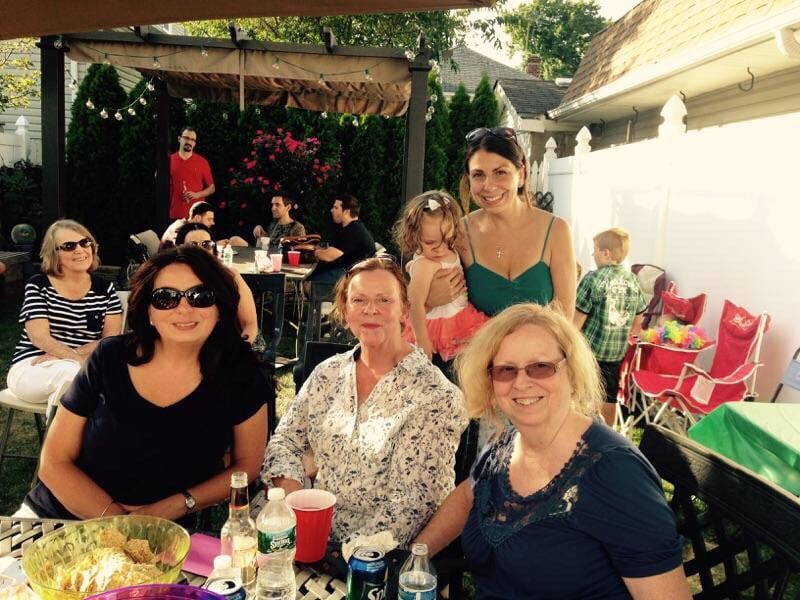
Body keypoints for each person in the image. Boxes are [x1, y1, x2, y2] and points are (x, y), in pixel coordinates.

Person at [414, 303, 690, 599]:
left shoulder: (615, 473)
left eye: (541, 367)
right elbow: (468, 496)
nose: (521, 382)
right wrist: (414, 556)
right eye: (506, 370)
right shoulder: (507, 443)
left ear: (571, 371)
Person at [21, 246, 269, 521]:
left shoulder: (239, 372)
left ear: (219, 307)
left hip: (165, 530)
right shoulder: (110, 358)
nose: (184, 308)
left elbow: (247, 464)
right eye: (166, 298)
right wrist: (122, 525)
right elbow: (54, 462)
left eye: (200, 296)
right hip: (59, 516)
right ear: (148, 310)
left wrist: (181, 504)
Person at [264, 257, 467, 546]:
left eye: (384, 300)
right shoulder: (327, 374)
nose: (371, 310)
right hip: (305, 533)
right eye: (358, 300)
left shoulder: (434, 395)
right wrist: (294, 500)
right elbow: (285, 442)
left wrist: (342, 553)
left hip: (375, 553)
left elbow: (412, 505)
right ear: (345, 310)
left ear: (404, 310)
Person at [427, 127, 577, 319]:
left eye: (500, 173)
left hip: (541, 339)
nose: (488, 186)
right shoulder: (459, 233)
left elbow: (564, 319)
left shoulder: (556, 230)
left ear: (521, 175)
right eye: (478, 175)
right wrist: (428, 300)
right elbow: (423, 305)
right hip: (472, 340)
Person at [7, 220, 122, 407]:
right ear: (54, 254)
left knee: (79, 378)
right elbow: (39, 337)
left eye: (85, 243)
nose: (80, 250)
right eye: (69, 246)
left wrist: (72, 356)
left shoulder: (105, 289)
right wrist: (77, 361)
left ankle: (65, 423)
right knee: (75, 375)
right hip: (34, 366)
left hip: (84, 364)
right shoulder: (39, 285)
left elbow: (110, 340)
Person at [393, 190, 488, 362]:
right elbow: (415, 304)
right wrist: (422, 340)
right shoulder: (425, 264)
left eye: (448, 240)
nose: (440, 248)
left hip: (461, 317)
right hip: (439, 327)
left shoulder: (448, 251)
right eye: (430, 242)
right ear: (414, 237)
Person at [574, 228, 646, 426]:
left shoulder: (593, 279)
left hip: (588, 353)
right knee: (609, 397)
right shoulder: (634, 281)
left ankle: (578, 430)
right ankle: (608, 434)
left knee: (581, 395)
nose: (592, 254)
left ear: (606, 253)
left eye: (595, 250)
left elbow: (575, 323)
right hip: (615, 356)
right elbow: (637, 323)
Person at [175, 222, 258, 344]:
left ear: (213, 249)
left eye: (207, 244)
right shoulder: (170, 280)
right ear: (179, 249)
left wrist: (240, 349)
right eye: (193, 245)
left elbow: (250, 324)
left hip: (233, 345)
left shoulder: (230, 277)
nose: (201, 250)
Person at [309, 194, 375, 284]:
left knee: (308, 282)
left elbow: (329, 256)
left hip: (350, 276)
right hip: (348, 272)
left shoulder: (354, 230)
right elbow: (332, 249)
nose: (332, 210)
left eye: (336, 208)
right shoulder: (352, 227)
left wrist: (311, 252)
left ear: (346, 212)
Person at [170, 126, 215, 220]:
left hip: (197, 215)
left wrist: (197, 194)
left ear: (194, 143)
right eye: (186, 138)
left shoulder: (202, 162)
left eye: (192, 140)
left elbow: (212, 188)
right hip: (176, 213)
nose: (189, 142)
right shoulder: (169, 161)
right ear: (179, 139)